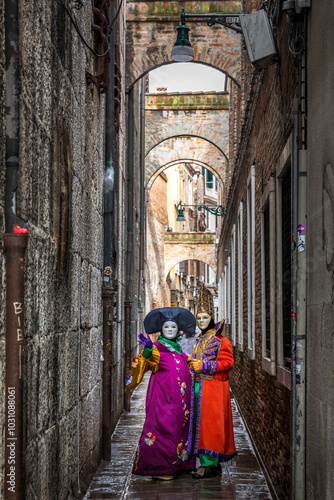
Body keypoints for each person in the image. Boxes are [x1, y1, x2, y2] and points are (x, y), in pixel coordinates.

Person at [125, 307, 197, 480]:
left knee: (179, 429)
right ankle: (161, 468)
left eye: (173, 327)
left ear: (178, 330)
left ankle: (178, 464)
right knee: (164, 429)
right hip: (163, 399)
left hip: (180, 402)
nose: (170, 330)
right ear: (161, 330)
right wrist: (148, 349)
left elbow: (189, 364)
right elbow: (147, 360)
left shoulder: (178, 350)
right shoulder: (157, 348)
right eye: (167, 328)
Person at [188, 285, 237, 479]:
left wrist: (205, 367)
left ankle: (212, 466)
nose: (201, 321)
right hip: (198, 388)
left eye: (204, 318)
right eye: (198, 318)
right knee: (199, 427)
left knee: (211, 427)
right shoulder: (199, 340)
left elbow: (228, 363)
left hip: (214, 389)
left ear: (212, 318)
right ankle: (206, 464)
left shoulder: (221, 340)